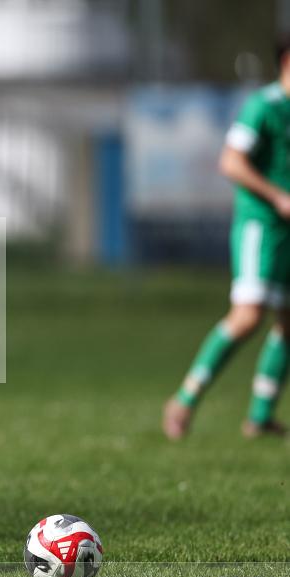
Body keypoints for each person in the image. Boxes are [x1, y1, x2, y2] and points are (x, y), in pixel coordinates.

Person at [162, 36, 290, 440]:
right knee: (248, 316)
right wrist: (277, 197)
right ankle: (184, 398)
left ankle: (261, 416)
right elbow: (231, 161)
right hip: (261, 227)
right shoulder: (264, 107)